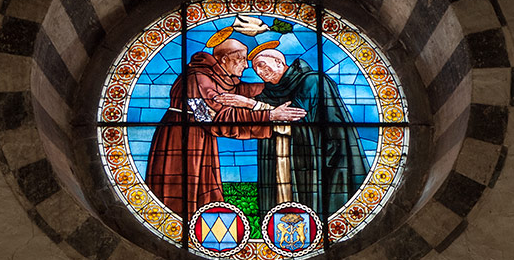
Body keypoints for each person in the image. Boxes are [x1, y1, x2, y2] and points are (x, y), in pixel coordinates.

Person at [145, 39, 306, 219]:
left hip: (200, 138)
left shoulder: (217, 77)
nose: (246, 66)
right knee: (184, 188)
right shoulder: (196, 79)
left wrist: (282, 83)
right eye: (242, 59)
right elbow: (216, 118)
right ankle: (178, 227)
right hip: (181, 139)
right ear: (225, 60)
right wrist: (269, 116)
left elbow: (241, 90)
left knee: (205, 187)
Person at [249, 48, 369, 218]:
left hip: (323, 154)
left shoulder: (312, 80)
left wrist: (252, 105)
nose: (260, 72)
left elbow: (296, 114)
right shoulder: (268, 93)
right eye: (256, 69)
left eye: (261, 65)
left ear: (279, 62)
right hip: (282, 159)